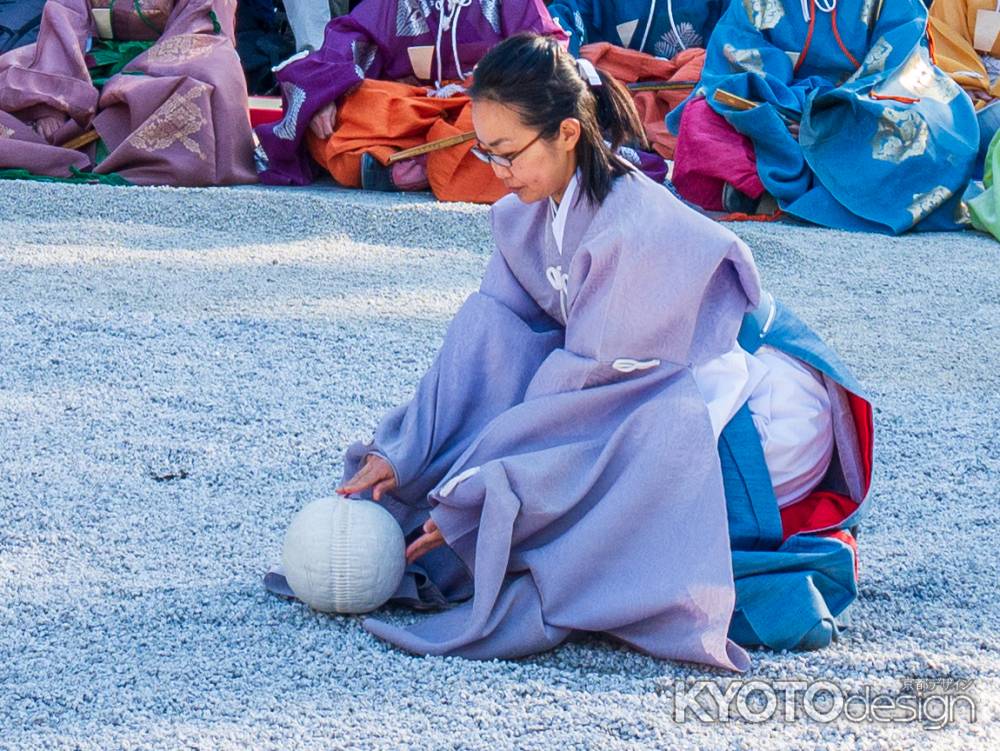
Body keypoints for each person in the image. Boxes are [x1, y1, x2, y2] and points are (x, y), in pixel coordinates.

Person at [267, 32, 873, 666]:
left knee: (583, 546)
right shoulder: (524, 214)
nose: (495, 172)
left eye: (507, 153)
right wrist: (409, 450)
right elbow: (487, 340)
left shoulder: (632, 228)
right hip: (638, 387)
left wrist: (481, 493)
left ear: (566, 133)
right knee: (494, 423)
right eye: (486, 151)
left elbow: (587, 403)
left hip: (745, 419)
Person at [667, 0, 980, 233]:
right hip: (779, 102)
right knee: (701, 117)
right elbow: (738, 45)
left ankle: (764, 190)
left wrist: (828, 109)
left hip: (861, 106)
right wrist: (786, 104)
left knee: (927, 128)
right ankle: (761, 187)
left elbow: (902, 54)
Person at [253, 0, 568, 203]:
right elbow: (348, 38)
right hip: (408, 116)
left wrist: (493, 88)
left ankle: (414, 168)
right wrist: (327, 92)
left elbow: (546, 48)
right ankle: (401, 169)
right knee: (344, 110)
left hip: (476, 115)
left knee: (513, 125)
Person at [0, 0, 255, 186]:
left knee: (197, 85)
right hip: (95, 59)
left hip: (168, 63)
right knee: (12, 74)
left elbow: (200, 28)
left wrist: (134, 79)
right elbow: (62, 20)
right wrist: (52, 102)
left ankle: (110, 142)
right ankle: (66, 137)